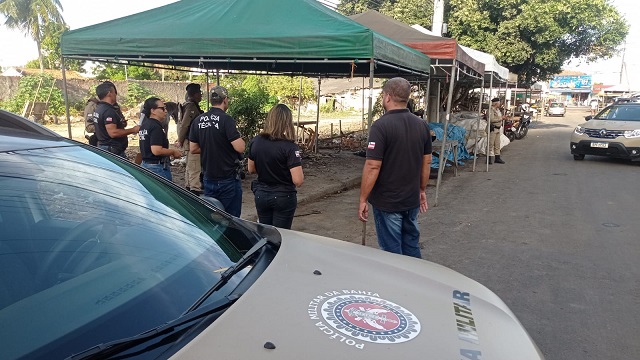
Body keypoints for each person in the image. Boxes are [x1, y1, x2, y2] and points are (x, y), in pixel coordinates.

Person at [358, 77, 432, 258]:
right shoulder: (422, 125)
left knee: (392, 253)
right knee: (411, 244)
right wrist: (421, 190)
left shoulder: (380, 126)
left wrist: (363, 199)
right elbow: (427, 162)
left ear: (388, 97)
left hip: (388, 202)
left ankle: (397, 285)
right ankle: (417, 281)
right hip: (411, 199)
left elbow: (373, 166)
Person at [189, 86, 245, 217]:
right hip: (228, 178)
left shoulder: (198, 120)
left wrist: (211, 146)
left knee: (212, 217)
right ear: (225, 100)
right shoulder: (226, 120)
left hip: (208, 178)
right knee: (231, 219)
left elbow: (193, 149)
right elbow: (240, 148)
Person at [247, 104, 304, 229]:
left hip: (261, 193)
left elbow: (251, 169)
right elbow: (298, 180)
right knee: (281, 236)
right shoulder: (290, 147)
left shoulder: (256, 141)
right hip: (283, 196)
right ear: (287, 122)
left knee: (265, 235)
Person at [138, 97, 183, 180]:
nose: (165, 111)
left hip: (145, 165)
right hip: (156, 168)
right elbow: (156, 150)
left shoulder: (145, 125)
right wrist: (173, 151)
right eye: (162, 108)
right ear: (153, 111)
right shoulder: (156, 127)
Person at [94, 82, 140, 158]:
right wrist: (133, 130)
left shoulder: (99, 108)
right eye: (115, 92)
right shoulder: (108, 110)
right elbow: (113, 133)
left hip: (104, 147)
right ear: (109, 93)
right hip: (112, 150)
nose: (116, 95)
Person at [175, 83, 204, 195]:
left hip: (190, 140)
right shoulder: (191, 106)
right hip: (191, 141)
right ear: (196, 94)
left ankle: (189, 185)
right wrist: (180, 140)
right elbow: (185, 125)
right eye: (200, 93)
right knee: (194, 165)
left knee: (190, 165)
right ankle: (194, 188)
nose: (201, 95)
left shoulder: (190, 105)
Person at [488, 97, 506, 164]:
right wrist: (500, 118)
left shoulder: (498, 110)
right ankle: (489, 159)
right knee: (490, 144)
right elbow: (491, 120)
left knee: (497, 144)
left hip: (498, 128)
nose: (500, 104)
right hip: (493, 128)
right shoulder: (490, 110)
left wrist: (502, 118)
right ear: (496, 103)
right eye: (499, 102)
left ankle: (497, 158)